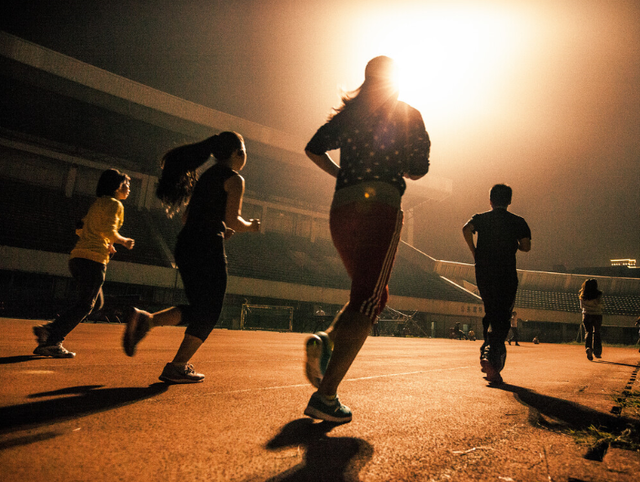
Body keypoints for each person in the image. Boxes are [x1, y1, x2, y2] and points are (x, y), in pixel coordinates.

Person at [303, 55, 431, 422]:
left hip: (341, 207)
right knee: (367, 301)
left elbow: (313, 148)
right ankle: (325, 396)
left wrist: (343, 173)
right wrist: (396, 161)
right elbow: (419, 169)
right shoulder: (408, 114)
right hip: (381, 205)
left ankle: (326, 339)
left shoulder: (348, 115)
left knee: (368, 295)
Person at [122, 132, 260, 383]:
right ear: (237, 153)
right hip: (207, 247)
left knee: (200, 308)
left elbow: (187, 218)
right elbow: (233, 220)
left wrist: (217, 226)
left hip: (186, 244)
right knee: (210, 311)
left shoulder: (206, 176)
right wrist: (251, 226)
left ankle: (147, 320)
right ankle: (177, 365)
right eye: (245, 150)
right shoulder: (234, 179)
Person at [33, 169, 135, 357]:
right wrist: (123, 241)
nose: (129, 188)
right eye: (126, 184)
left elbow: (80, 227)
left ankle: (51, 329)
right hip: (93, 260)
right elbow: (108, 229)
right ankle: (52, 337)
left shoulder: (98, 204)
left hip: (78, 258)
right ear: (116, 186)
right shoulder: (115, 205)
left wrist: (106, 243)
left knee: (96, 304)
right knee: (87, 305)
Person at [462, 184, 531, 384]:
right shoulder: (518, 222)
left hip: (484, 271)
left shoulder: (481, 218)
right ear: (509, 201)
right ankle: (491, 357)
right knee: (502, 316)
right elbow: (526, 247)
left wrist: (475, 252)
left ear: (490, 200)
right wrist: (515, 243)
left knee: (491, 311)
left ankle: (487, 351)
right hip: (506, 273)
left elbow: (466, 229)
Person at [579, 278, 604, 361]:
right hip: (597, 314)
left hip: (586, 315)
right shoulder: (599, 294)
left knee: (588, 332)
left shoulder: (583, 295)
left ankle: (588, 347)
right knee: (597, 332)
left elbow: (581, 307)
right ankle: (597, 352)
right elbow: (601, 304)